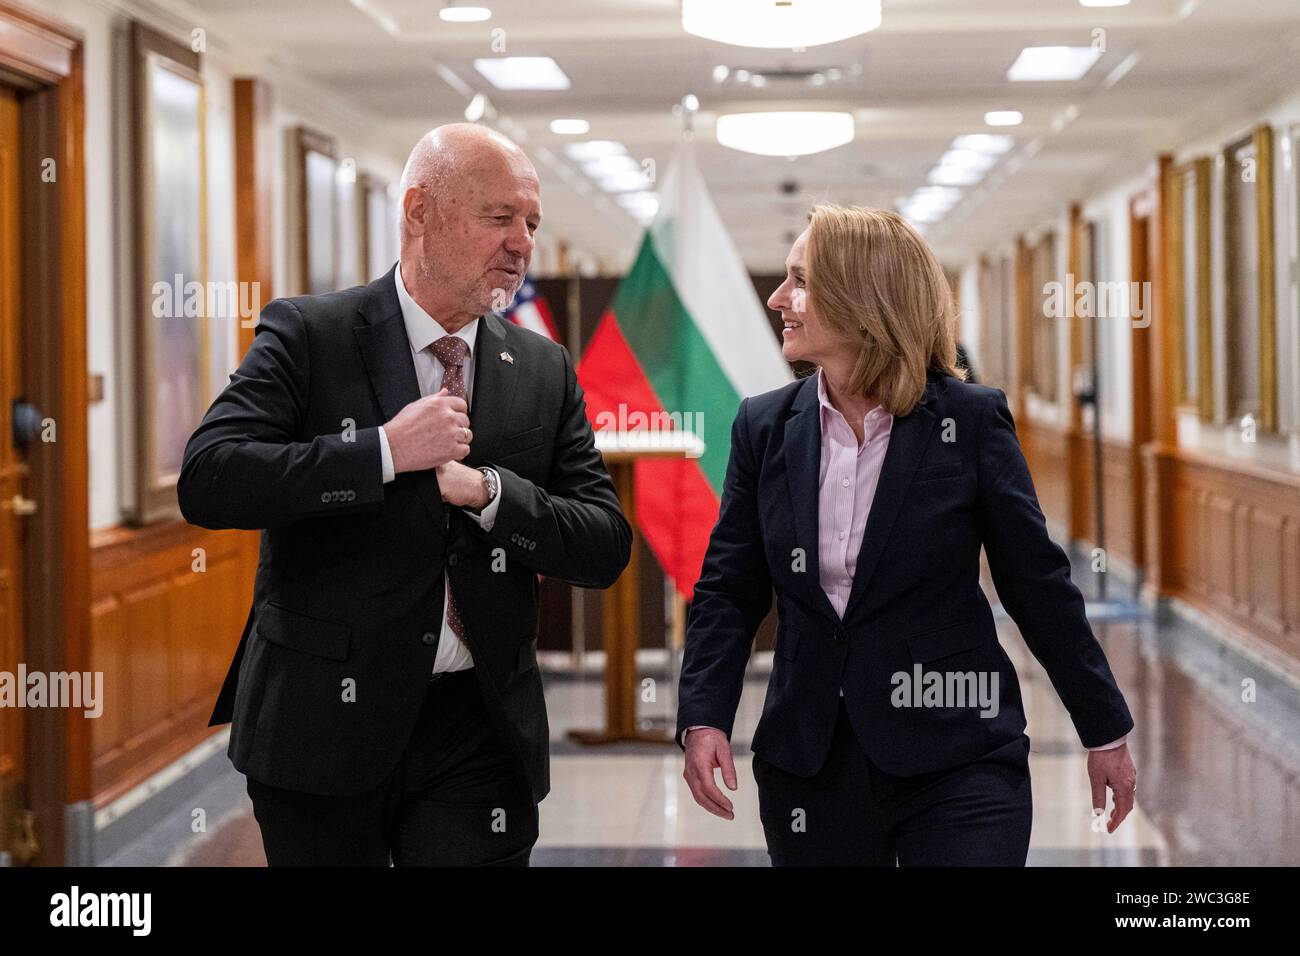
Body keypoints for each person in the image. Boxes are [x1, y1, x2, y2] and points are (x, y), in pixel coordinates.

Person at [179, 123, 631, 866]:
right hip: (324, 723)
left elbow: (603, 543)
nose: (522, 243)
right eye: (499, 218)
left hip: (478, 728)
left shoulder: (543, 368)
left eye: (531, 224)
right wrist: (384, 451)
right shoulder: (310, 334)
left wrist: (491, 493)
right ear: (419, 211)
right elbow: (211, 477)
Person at [677, 205, 1137, 866]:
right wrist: (704, 714)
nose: (779, 299)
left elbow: (1035, 582)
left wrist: (1104, 727)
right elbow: (729, 587)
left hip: (959, 757)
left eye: (800, 280)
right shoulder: (766, 428)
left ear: (863, 298)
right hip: (812, 762)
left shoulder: (969, 421)